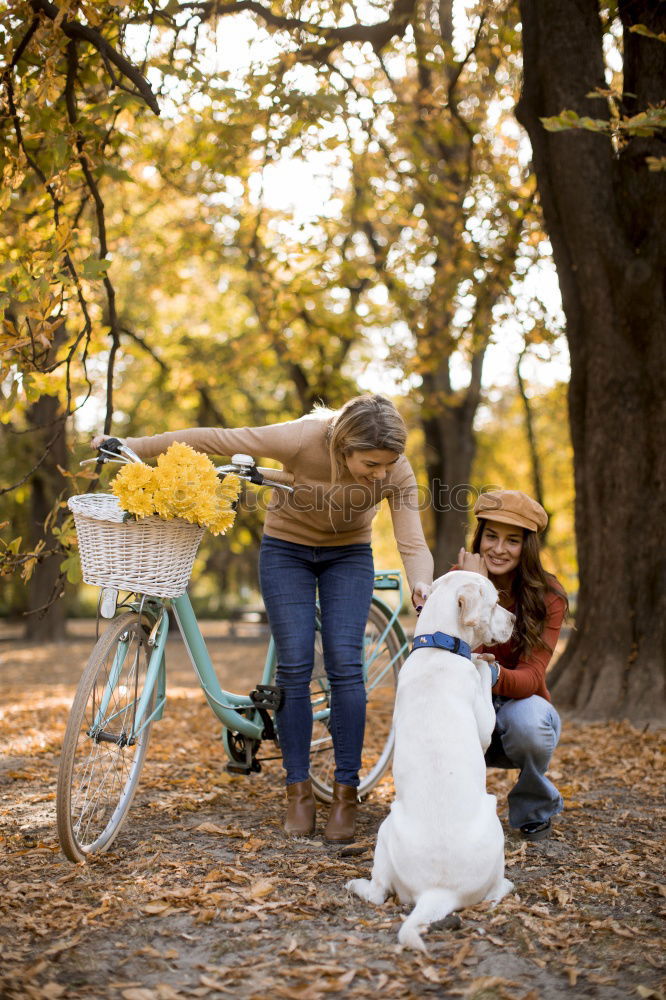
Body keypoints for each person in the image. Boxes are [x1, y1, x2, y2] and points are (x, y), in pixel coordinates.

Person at [93, 394, 433, 843]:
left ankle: (345, 791)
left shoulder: (397, 470)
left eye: (388, 464)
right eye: (372, 464)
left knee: (346, 665)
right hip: (286, 551)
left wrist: (422, 584)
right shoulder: (301, 438)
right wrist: (132, 443)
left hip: (348, 556)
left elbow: (411, 539)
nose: (382, 474)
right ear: (345, 446)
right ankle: (297, 790)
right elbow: (213, 438)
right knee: (293, 663)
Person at [456, 489, 568, 841]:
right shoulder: (458, 580)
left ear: (527, 546)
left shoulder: (548, 594)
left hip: (518, 704)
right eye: (491, 536)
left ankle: (533, 809)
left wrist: (488, 672)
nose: (499, 549)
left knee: (532, 723)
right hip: (466, 705)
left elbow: (533, 677)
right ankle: (456, 810)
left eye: (512, 540)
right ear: (480, 537)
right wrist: (473, 586)